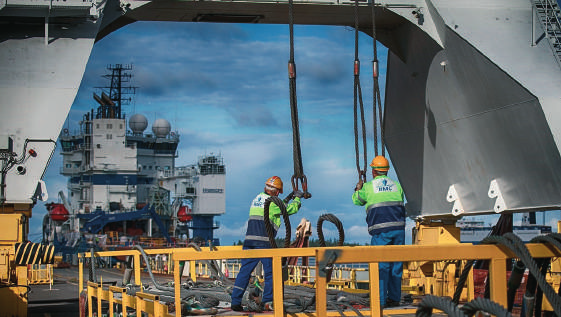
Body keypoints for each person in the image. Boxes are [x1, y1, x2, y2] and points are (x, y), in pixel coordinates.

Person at [231, 176, 303, 312]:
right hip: (264, 242)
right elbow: (289, 210)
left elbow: (279, 205)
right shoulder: (272, 203)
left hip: (249, 242)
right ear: (276, 192)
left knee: (244, 272)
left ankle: (235, 301)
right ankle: (267, 301)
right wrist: (298, 198)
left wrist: (288, 198)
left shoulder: (257, 198)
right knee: (271, 272)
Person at [352, 155, 405, 308]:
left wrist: (358, 188)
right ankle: (394, 299)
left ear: (373, 171)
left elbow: (356, 200)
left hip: (381, 232)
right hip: (399, 231)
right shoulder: (397, 186)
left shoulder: (368, 188)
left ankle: (380, 301)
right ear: (386, 171)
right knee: (396, 265)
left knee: (381, 266)